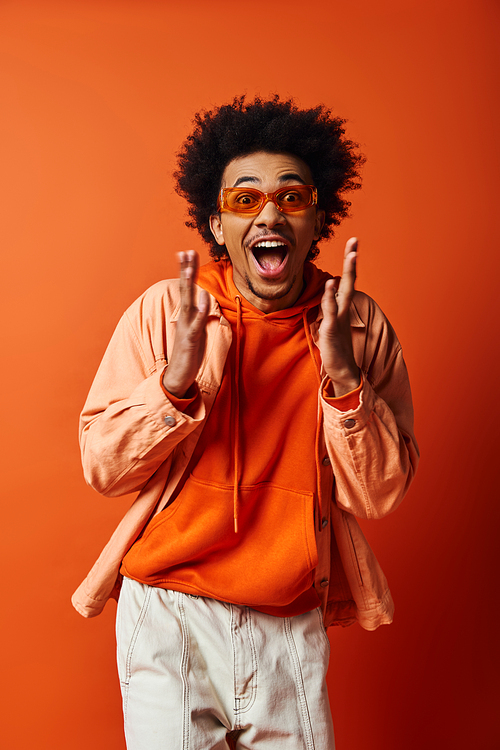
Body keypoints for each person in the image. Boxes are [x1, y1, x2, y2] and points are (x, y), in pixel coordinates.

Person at [72, 95, 419, 750]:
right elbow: (104, 467)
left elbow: (380, 493)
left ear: (320, 217)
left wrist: (344, 381)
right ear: (215, 222)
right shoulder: (167, 311)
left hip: (290, 621)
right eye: (245, 200)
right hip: (167, 609)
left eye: (292, 199)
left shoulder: (359, 323)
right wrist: (173, 386)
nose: (269, 214)